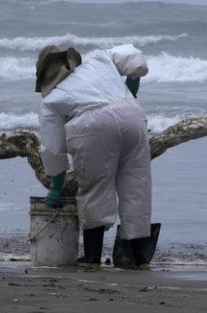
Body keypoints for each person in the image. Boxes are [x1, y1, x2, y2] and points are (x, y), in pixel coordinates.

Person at [36, 43, 155, 270]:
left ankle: (92, 260)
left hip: (92, 127)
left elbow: (53, 148)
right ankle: (140, 260)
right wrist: (131, 90)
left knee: (95, 190)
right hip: (133, 117)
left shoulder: (51, 101)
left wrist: (56, 187)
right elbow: (134, 59)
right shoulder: (100, 60)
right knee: (137, 187)